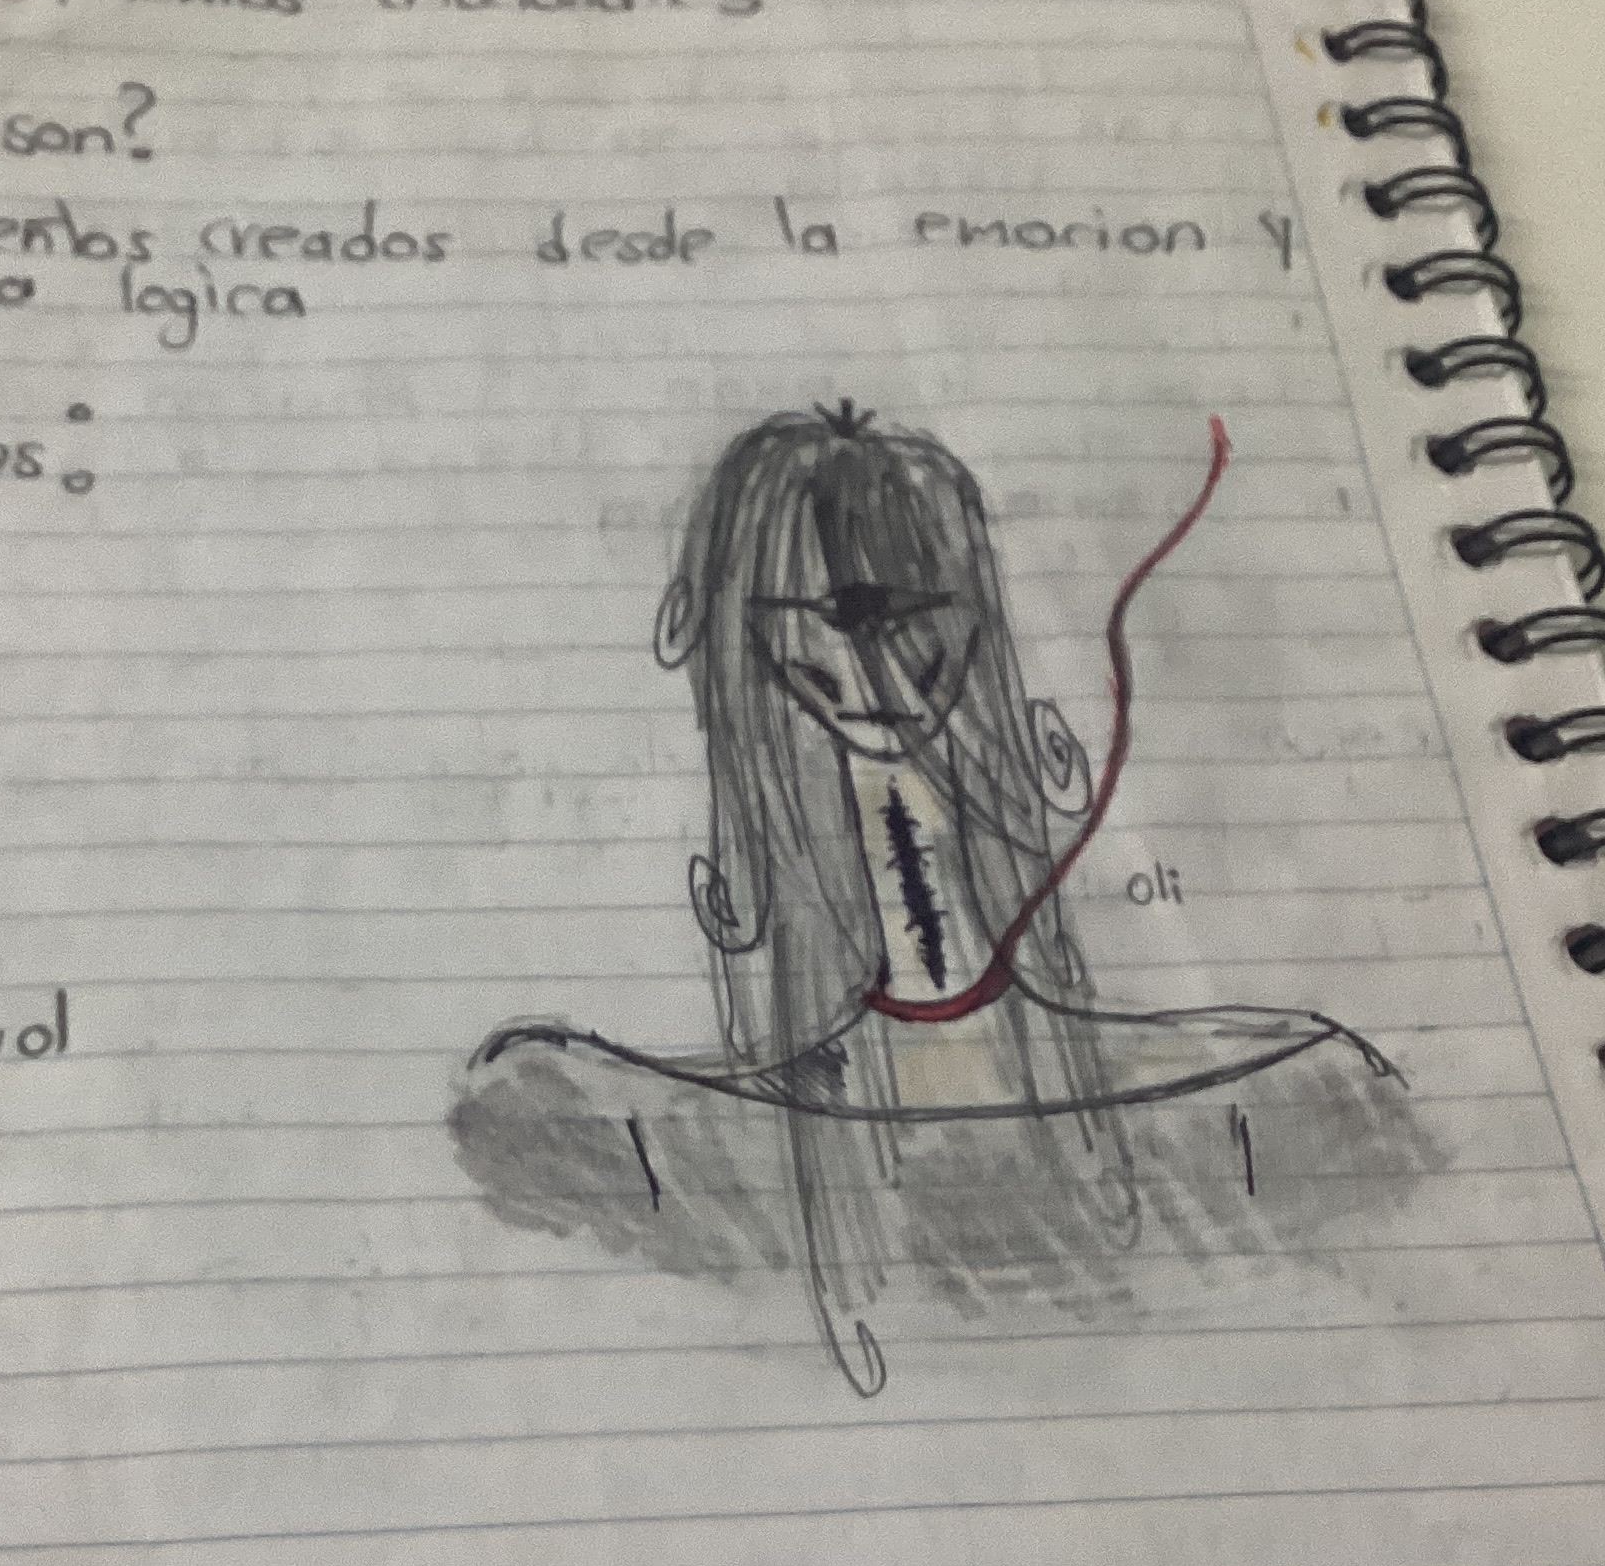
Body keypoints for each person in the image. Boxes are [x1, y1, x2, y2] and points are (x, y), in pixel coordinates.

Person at [454, 404, 1395, 1394]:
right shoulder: (616, 1133)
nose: (867, 659)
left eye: (905, 628)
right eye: (817, 642)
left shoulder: (1279, 1096)